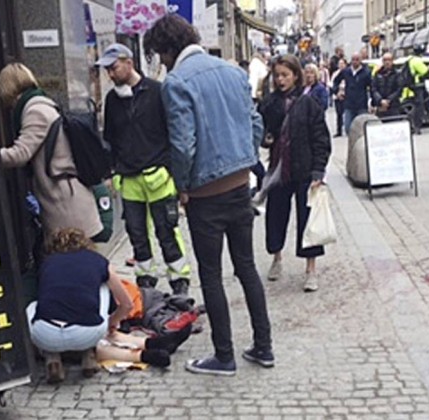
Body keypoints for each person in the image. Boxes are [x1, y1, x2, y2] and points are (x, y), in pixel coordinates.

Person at [144, 14, 273, 376]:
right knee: (247, 267)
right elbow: (255, 123)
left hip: (205, 194)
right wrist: (245, 161)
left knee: (212, 274)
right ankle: (263, 346)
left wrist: (182, 186)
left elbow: (183, 145)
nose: (162, 62)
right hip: (238, 185)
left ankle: (224, 356)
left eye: (161, 55)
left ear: (169, 49)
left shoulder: (177, 82)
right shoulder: (232, 71)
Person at [27, 228, 191, 382]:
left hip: (45, 336)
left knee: (33, 307)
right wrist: (112, 321)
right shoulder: (99, 261)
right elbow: (126, 304)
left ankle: (53, 358)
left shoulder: (47, 264)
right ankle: (147, 346)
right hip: (87, 333)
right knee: (101, 291)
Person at [98, 43, 191, 294]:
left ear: (129, 63)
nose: (110, 75)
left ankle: (179, 281)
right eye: (107, 70)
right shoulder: (112, 99)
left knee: (167, 231)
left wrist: (174, 171)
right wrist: (112, 171)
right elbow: (111, 138)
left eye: (113, 68)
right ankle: (146, 283)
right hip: (129, 179)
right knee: (137, 234)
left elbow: (174, 132)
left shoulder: (157, 92)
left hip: (158, 177)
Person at [0, 63, 104, 241]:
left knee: (72, 260)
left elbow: (20, 154)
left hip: (64, 200)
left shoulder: (35, 110)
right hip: (67, 195)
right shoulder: (42, 103)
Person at [259, 55, 331, 291]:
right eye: (277, 75)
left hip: (305, 168)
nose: (280, 80)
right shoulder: (269, 103)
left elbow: (321, 137)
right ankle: (277, 257)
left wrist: (318, 170)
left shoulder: (308, 104)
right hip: (280, 169)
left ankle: (310, 269)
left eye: (285, 75)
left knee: (307, 220)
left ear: (296, 76)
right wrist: (266, 138)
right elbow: (261, 131)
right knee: (276, 215)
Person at [331, 53, 372, 135]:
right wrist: (337, 92)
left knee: (361, 128)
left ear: (360, 60)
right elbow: (335, 81)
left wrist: (372, 102)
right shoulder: (346, 71)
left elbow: (372, 87)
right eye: (353, 59)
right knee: (348, 127)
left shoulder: (366, 72)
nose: (355, 62)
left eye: (357, 59)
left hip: (361, 104)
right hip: (349, 104)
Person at [402, 45, 429, 134]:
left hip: (411, 87)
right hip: (417, 86)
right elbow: (424, 71)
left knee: (416, 105)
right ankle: (417, 126)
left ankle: (415, 123)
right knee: (420, 107)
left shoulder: (409, 60)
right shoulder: (417, 60)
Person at [371, 52, 402, 119]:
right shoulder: (377, 74)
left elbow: (399, 89)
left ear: (392, 61)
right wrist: (380, 100)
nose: (387, 62)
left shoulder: (397, 74)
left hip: (394, 106)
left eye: (389, 60)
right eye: (385, 60)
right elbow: (374, 89)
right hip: (381, 107)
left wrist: (388, 100)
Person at [330, 58, 347, 137]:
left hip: (346, 96)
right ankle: (339, 130)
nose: (341, 65)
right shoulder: (336, 74)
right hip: (337, 96)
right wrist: (337, 93)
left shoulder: (348, 73)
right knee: (339, 114)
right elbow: (333, 84)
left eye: (342, 63)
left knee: (346, 113)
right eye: (339, 64)